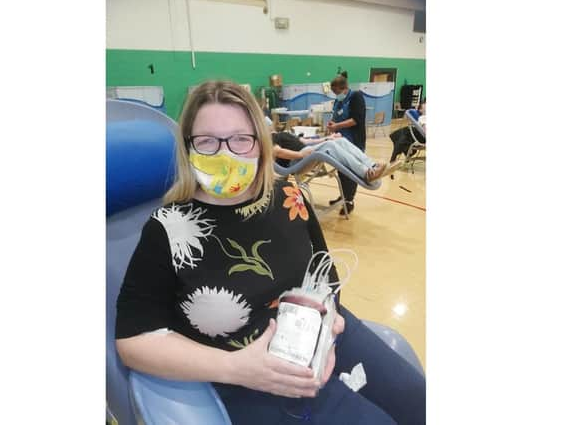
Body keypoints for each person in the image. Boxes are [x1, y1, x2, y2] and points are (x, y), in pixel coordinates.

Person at [115, 80, 425, 425]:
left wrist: (330, 324)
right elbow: (133, 341)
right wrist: (237, 369)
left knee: (420, 404)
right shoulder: (168, 228)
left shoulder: (290, 195)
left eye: (240, 139)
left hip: (323, 337)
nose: (225, 153)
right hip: (250, 375)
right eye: (207, 141)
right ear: (188, 148)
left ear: (259, 145)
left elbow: (325, 277)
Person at [272, 130, 398, 184]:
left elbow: (306, 142)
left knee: (340, 141)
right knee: (330, 146)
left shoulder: (283, 133)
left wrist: (327, 138)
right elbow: (277, 151)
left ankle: (372, 166)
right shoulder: (269, 138)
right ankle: (366, 173)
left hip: (306, 153)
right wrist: (300, 154)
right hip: (296, 162)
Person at [325, 72, 367, 216]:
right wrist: (332, 124)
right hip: (339, 140)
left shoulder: (356, 97)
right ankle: (343, 196)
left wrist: (337, 126)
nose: (336, 95)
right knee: (341, 171)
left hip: (354, 140)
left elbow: (356, 119)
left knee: (351, 172)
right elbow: (336, 116)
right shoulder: (338, 100)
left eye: (337, 92)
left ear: (344, 88)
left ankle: (349, 201)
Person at [388, 99, 426, 166]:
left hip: (420, 137)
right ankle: (404, 151)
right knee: (405, 132)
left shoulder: (423, 118)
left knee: (404, 133)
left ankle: (402, 152)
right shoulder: (423, 118)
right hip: (421, 137)